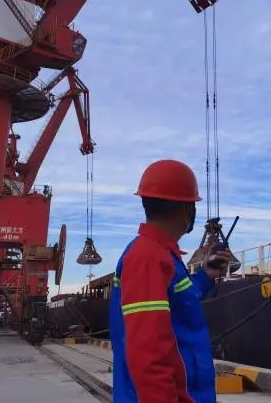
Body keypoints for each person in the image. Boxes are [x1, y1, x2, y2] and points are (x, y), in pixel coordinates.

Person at [110, 159, 231, 403]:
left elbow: (180, 301)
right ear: (185, 209)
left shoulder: (161, 255)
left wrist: (205, 276)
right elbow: (148, 354)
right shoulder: (147, 258)